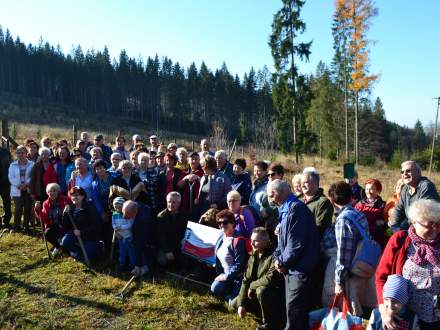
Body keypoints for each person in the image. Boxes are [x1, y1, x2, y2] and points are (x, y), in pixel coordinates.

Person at [376, 199, 440, 329]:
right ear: (414, 223)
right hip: (405, 316)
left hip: (436, 317)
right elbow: (381, 276)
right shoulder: (400, 239)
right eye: (430, 225)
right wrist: (384, 308)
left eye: (438, 224)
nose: (435, 228)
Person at [269, 179, 320, 330]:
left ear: (281, 193)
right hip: (292, 268)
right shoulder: (286, 210)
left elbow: (295, 245)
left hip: (300, 270)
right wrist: (278, 259)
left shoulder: (296, 210)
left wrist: (282, 262)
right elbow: (283, 242)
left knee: (295, 313)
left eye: (272, 195)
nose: (270, 200)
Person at [328, 181, 377, 317]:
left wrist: (339, 282)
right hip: (365, 266)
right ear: (351, 197)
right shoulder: (358, 214)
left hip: (353, 273)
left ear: (333, 201)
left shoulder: (343, 220)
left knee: (353, 313)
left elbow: (344, 254)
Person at [234, 227, 285, 330]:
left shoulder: (274, 255)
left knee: (261, 290)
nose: (251, 243)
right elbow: (246, 279)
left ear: (266, 242)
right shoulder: (254, 253)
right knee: (234, 304)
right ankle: (256, 310)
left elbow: (270, 278)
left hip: (273, 295)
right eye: (251, 240)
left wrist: (252, 286)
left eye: (255, 241)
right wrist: (241, 304)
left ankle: (270, 324)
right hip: (253, 293)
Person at [390, 161, 440, 232]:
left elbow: (421, 215)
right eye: (402, 172)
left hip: (427, 229)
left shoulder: (426, 186)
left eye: (408, 171)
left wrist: (401, 229)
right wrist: (394, 226)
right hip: (412, 225)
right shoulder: (405, 188)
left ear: (418, 172)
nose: (405, 174)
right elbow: (399, 209)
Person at [211, 209, 248, 303]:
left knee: (232, 305)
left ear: (232, 223)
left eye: (225, 222)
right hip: (226, 275)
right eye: (219, 223)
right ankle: (230, 293)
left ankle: (238, 294)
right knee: (215, 288)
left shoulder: (238, 240)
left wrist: (226, 276)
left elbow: (240, 265)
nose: (222, 225)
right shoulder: (221, 236)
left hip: (238, 278)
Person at [61, 186, 103, 263]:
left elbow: (96, 225)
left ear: (83, 196)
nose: (74, 197)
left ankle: (96, 248)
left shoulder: (89, 207)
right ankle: (78, 252)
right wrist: (64, 214)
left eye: (77, 195)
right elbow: (66, 226)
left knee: (88, 258)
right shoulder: (70, 208)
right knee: (65, 242)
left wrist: (82, 232)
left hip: (90, 236)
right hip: (76, 235)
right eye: (72, 195)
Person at [155, 192, 188, 268]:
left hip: (179, 245)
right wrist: (167, 251)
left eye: (174, 202)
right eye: (169, 202)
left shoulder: (185, 215)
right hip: (166, 246)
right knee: (162, 260)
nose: (170, 204)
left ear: (179, 203)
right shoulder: (161, 217)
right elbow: (160, 236)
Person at [122, 200, 154, 276]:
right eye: (123, 213)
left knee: (133, 244)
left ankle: (145, 266)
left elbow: (140, 243)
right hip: (143, 237)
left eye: (127, 215)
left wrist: (137, 265)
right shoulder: (135, 205)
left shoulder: (143, 221)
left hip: (150, 242)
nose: (124, 217)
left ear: (134, 213)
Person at [40, 183, 72, 256]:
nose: (52, 193)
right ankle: (59, 247)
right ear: (47, 193)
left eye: (54, 190)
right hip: (53, 225)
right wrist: (37, 209)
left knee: (65, 239)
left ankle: (66, 248)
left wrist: (68, 210)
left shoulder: (65, 199)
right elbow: (44, 217)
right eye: (50, 191)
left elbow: (72, 211)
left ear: (58, 191)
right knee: (47, 233)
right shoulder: (45, 203)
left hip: (65, 224)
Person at [301, 171, 333, 239]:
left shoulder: (323, 202)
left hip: (314, 245)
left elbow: (320, 228)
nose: (302, 185)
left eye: (305, 182)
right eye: (301, 183)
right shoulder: (298, 200)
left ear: (315, 183)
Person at [8, 146, 34, 231]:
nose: (20, 154)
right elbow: (11, 177)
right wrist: (19, 185)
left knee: (27, 208)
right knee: (18, 208)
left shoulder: (32, 164)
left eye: (22, 153)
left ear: (26, 153)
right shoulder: (12, 165)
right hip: (17, 189)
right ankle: (16, 226)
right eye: (18, 153)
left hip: (28, 189)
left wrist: (26, 185)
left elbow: (32, 176)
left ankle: (26, 226)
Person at [355, 179, 387, 247]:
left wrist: (383, 222)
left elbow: (386, 223)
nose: (368, 192)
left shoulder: (383, 205)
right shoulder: (359, 204)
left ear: (378, 191)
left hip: (376, 240)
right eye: (366, 189)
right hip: (360, 240)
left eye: (371, 189)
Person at [91, 160, 114, 251]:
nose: (99, 170)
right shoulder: (95, 183)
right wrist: (102, 213)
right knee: (105, 228)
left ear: (105, 168)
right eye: (97, 169)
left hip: (117, 207)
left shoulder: (114, 176)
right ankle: (107, 248)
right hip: (104, 208)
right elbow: (96, 199)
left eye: (101, 168)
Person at [112, 197, 136, 272]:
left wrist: (121, 227)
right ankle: (122, 263)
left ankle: (132, 264)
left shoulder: (127, 213)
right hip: (120, 236)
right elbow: (113, 223)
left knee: (130, 251)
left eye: (119, 207)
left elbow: (130, 224)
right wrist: (115, 228)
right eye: (115, 207)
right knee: (122, 251)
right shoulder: (114, 214)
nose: (117, 209)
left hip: (128, 236)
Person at [177, 151, 204, 216]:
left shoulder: (203, 172)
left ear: (199, 160)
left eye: (196, 159)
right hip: (185, 205)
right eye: (192, 159)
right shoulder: (184, 172)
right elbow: (179, 185)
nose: (194, 161)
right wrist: (185, 178)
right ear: (188, 160)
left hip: (198, 204)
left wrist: (197, 177)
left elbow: (206, 185)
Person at [0, 146, 11, 228]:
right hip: (5, 181)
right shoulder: (5, 151)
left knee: (7, 202)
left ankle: (6, 221)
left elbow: (10, 165)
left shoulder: (5, 151)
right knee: (7, 202)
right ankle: (6, 221)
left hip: (5, 181)